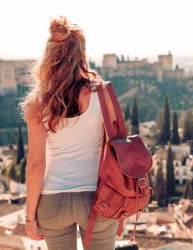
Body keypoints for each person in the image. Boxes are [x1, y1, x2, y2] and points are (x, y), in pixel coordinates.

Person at [20, 16, 118, 250]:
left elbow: (36, 163)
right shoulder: (102, 94)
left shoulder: (38, 102)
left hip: (53, 201)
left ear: (50, 57)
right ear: (82, 55)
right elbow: (116, 148)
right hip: (98, 199)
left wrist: (30, 217)